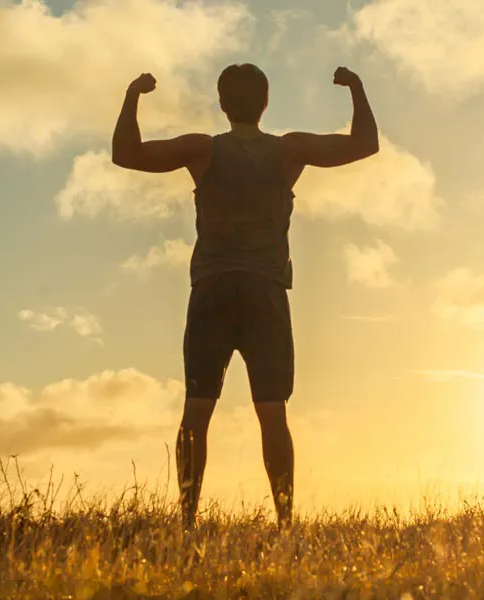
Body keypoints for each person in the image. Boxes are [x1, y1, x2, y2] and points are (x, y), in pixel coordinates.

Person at [111, 64, 379, 529]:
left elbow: (127, 153)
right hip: (264, 293)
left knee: (197, 409)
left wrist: (134, 94)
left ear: (221, 102)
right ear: (266, 102)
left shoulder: (203, 149)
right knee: (272, 412)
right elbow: (364, 145)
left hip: (213, 289)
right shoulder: (287, 150)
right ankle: (285, 524)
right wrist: (356, 87)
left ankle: (188, 523)